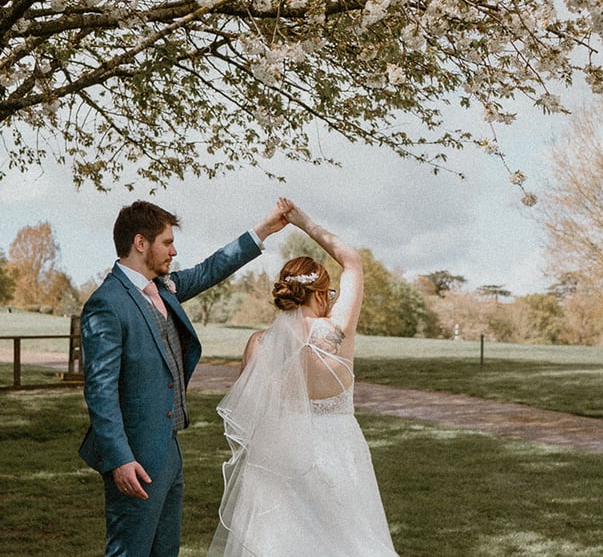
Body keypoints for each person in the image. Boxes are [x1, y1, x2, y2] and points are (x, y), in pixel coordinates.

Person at [78, 199, 290, 557]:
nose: (174, 251)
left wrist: (265, 228)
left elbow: (212, 268)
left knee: (165, 551)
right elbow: (100, 391)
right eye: (167, 242)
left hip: (169, 451)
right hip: (134, 458)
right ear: (140, 243)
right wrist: (119, 459)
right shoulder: (107, 303)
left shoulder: (163, 287)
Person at [208, 198, 398, 556]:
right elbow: (352, 260)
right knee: (348, 542)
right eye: (329, 293)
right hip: (339, 451)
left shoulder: (259, 343)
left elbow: (253, 412)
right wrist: (302, 221)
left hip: (279, 459)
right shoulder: (338, 330)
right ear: (321, 294)